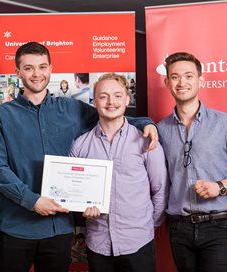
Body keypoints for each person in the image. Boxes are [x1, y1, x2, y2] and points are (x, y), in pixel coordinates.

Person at [0, 42, 158, 272]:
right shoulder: (0, 115)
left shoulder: (72, 109)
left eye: (42, 66)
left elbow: (111, 116)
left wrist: (145, 123)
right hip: (15, 228)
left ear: (51, 69)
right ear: (17, 72)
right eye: (28, 68)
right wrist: (33, 200)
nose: (37, 74)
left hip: (59, 229)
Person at [158, 52, 227, 272]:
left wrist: (220, 186)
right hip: (179, 229)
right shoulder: (160, 130)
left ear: (200, 80)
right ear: (167, 82)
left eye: (188, 76)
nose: (182, 82)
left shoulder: (226, 123)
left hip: (219, 227)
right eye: (175, 77)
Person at [69, 73, 169, 272]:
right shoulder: (80, 145)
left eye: (117, 95)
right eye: (103, 96)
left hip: (138, 242)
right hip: (98, 243)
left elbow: (161, 190)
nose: (110, 102)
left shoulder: (147, 141)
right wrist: (82, 208)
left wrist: (147, 226)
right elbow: (74, 192)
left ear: (127, 99)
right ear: (94, 100)